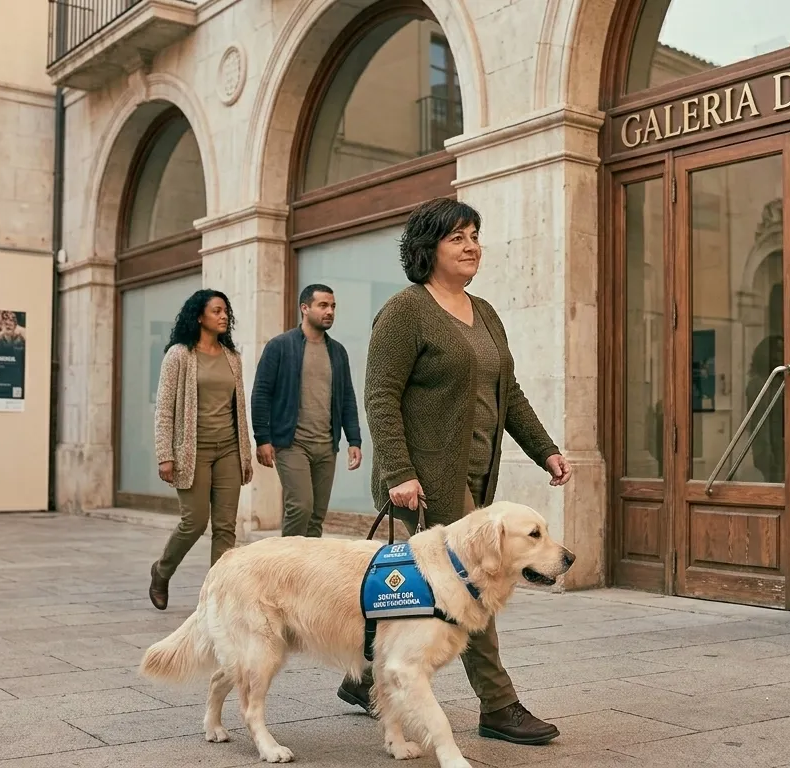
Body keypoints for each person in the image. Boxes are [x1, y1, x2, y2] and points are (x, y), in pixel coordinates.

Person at [335, 198, 573, 745]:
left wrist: (546, 450)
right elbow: (380, 396)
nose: (471, 246)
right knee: (477, 586)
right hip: (423, 482)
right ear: (428, 249)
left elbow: (506, 393)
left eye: (474, 236)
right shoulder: (405, 311)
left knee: (420, 596)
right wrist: (397, 469)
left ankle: (365, 677)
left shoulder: (484, 311)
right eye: (457, 238)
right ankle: (498, 704)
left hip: (476, 478)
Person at [148, 289, 254, 610]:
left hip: (229, 452)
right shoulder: (179, 355)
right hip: (193, 452)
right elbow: (164, 408)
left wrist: (245, 454)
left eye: (226, 312)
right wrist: (165, 455)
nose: (224, 317)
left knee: (225, 527)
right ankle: (161, 571)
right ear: (199, 316)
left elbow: (240, 409)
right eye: (217, 311)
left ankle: (216, 599)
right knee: (194, 522)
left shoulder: (232, 357)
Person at [251, 283, 363, 538]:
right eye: (323, 305)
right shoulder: (280, 346)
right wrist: (263, 438)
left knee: (316, 516)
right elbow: (261, 394)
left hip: (326, 445)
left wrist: (353, 439)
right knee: (300, 507)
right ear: (305, 308)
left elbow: (347, 398)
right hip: (292, 444)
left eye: (333, 306)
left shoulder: (337, 351)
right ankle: (283, 568)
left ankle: (306, 574)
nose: (330, 311)